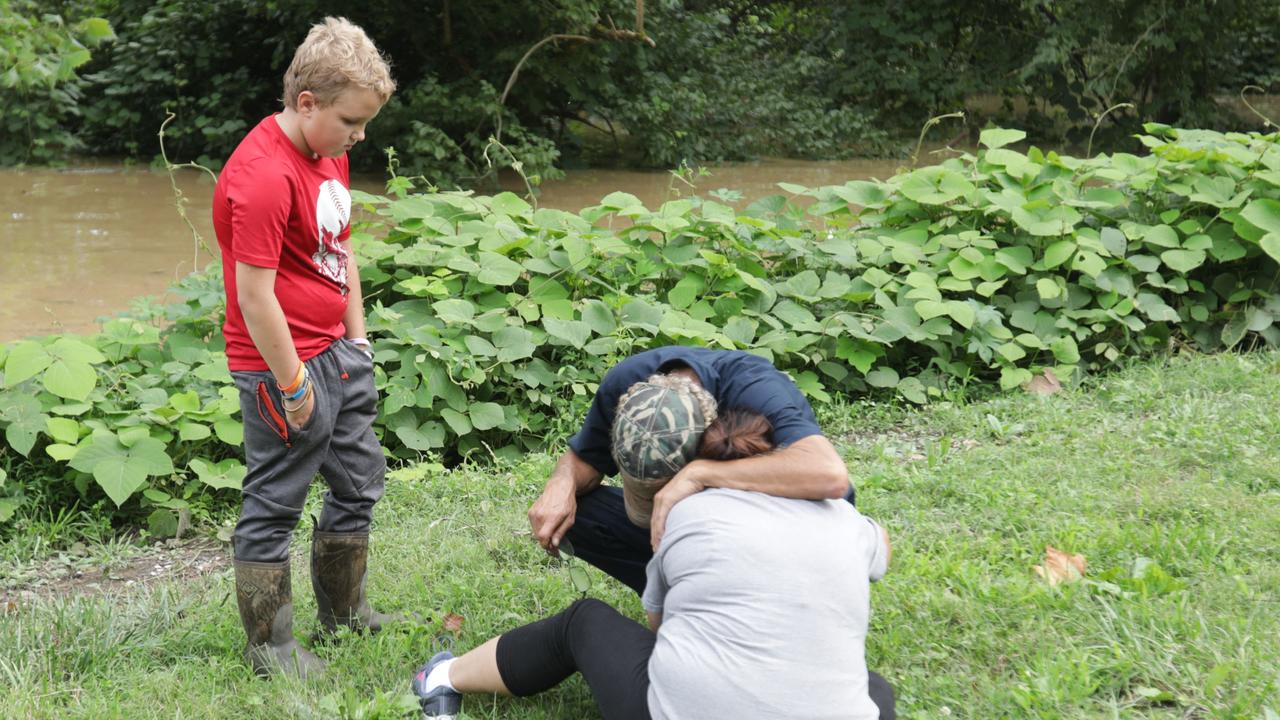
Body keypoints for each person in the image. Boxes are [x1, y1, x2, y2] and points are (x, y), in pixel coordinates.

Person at [413, 375, 896, 719]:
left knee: (584, 622)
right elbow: (882, 552)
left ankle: (441, 677)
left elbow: (662, 627)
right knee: (871, 689)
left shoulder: (687, 515)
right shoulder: (846, 520)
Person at [212, 16, 398, 678]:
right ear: (307, 102)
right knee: (276, 501)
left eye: (365, 122)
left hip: (338, 354)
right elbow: (255, 297)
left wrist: (359, 339)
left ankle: (345, 613)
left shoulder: (327, 151)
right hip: (280, 367)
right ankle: (271, 646)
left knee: (358, 482)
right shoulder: (261, 175)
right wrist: (293, 386)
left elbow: (338, 244)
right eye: (351, 120)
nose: (360, 135)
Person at [529, 346, 852, 594]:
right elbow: (586, 458)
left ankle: (753, 597)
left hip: (782, 533)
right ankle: (688, 594)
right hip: (705, 528)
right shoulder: (628, 383)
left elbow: (829, 475)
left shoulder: (754, 388)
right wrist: (561, 482)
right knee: (579, 513)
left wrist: (698, 474)